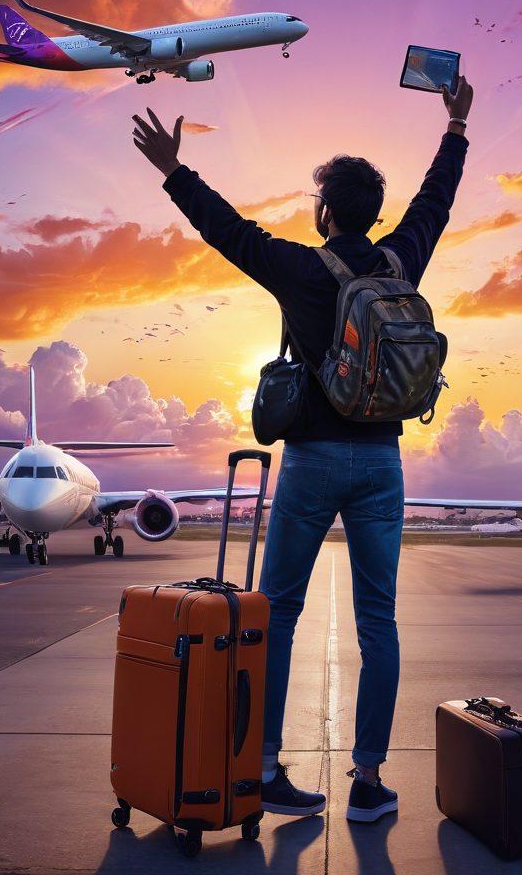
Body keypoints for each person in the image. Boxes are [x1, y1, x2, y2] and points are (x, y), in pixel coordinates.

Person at [132, 76, 472, 822]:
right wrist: (455, 127)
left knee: (277, 613)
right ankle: (369, 781)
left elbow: (228, 231)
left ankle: (262, 770)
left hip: (314, 460)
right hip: (383, 461)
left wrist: (174, 171)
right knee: (377, 623)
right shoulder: (401, 260)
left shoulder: (301, 269)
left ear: (324, 212)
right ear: (375, 214)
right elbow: (434, 202)